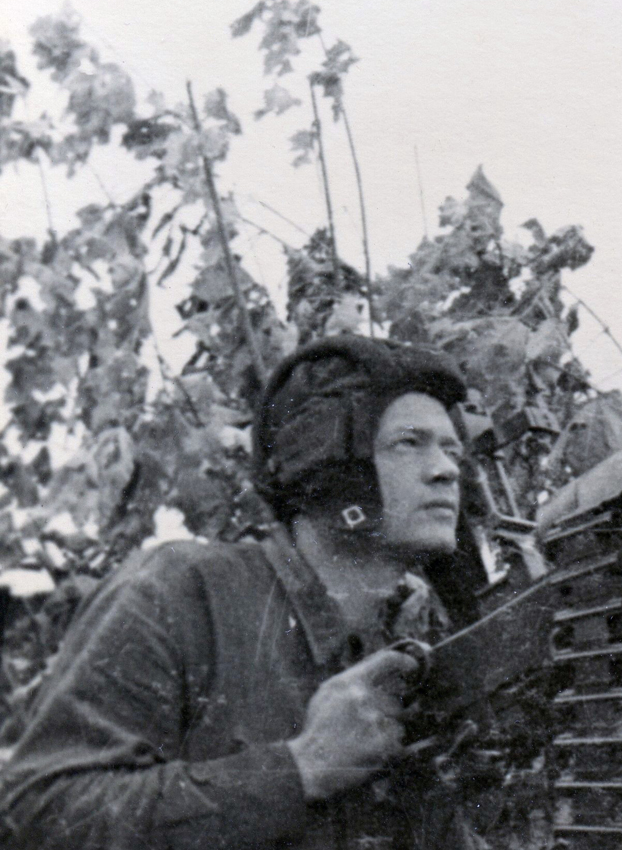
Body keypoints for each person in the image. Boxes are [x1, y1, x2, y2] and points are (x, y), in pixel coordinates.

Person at [0, 335, 483, 850]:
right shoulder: (180, 592)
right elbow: (41, 816)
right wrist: (300, 768)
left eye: (452, 449)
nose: (446, 469)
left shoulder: (402, 640)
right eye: (409, 443)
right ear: (326, 460)